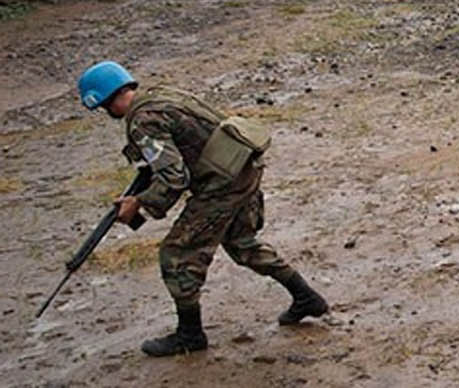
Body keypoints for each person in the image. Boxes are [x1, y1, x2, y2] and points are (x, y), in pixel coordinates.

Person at [75, 61, 328, 356]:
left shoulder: (143, 120)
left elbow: (174, 177)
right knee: (242, 244)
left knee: (177, 254)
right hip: (242, 169)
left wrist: (139, 203)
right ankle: (306, 297)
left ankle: (190, 335)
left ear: (104, 100)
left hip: (221, 184)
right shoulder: (160, 95)